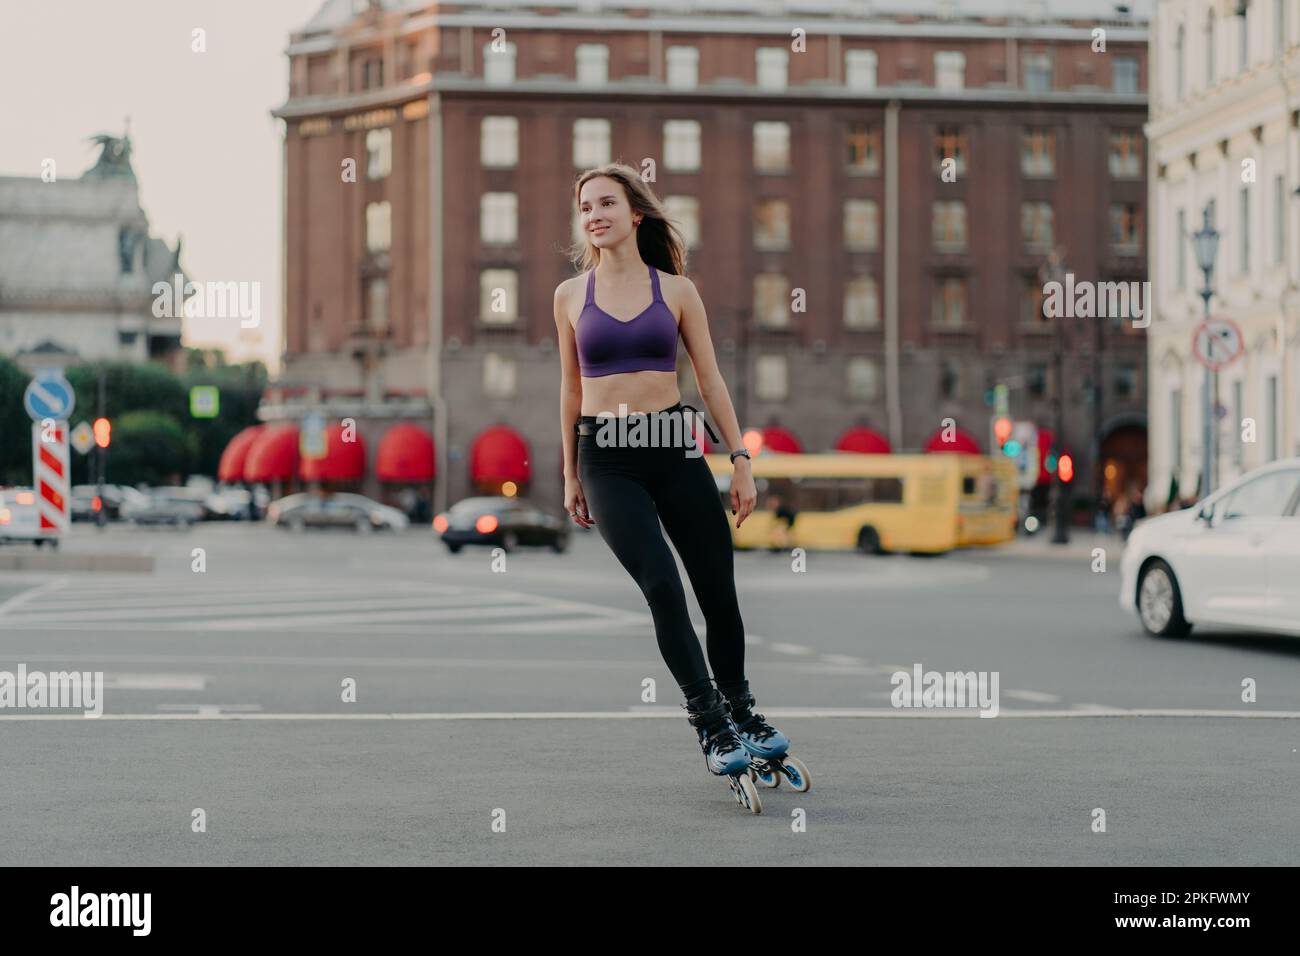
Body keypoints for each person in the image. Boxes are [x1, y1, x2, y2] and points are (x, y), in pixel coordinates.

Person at [555, 162, 789, 786]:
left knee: (719, 592)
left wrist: (740, 460)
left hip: (673, 445)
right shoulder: (570, 297)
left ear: (636, 214)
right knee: (662, 586)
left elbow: (709, 380)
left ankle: (744, 711)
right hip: (607, 456)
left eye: (606, 203)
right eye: (585, 207)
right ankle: (711, 723)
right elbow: (570, 390)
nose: (594, 215)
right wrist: (572, 474)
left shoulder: (677, 291)